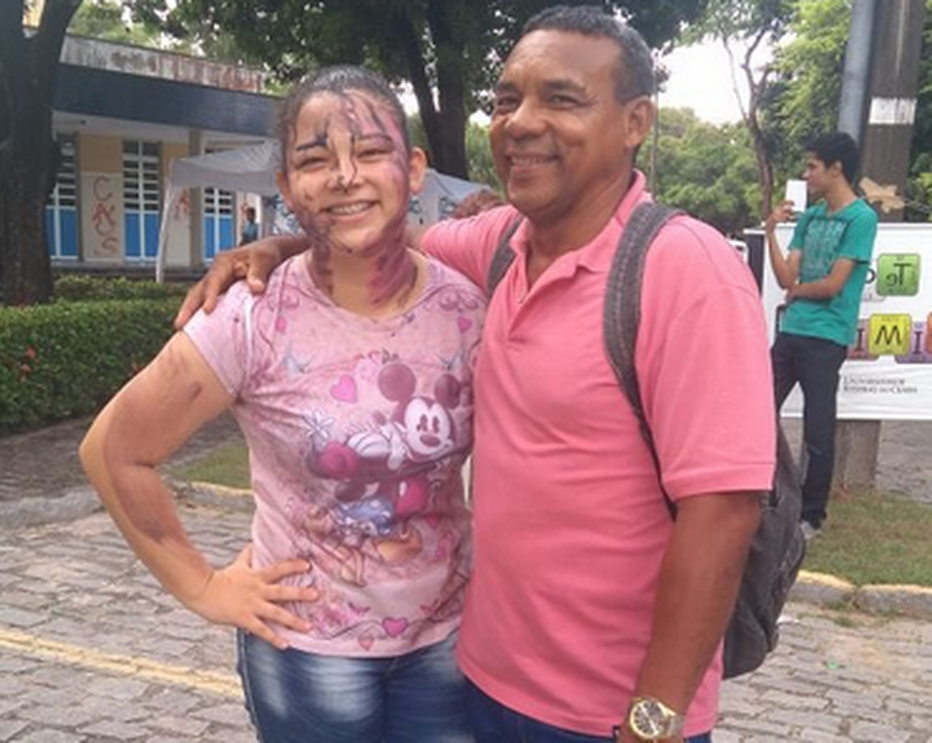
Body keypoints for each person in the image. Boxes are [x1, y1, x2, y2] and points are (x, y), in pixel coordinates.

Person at [177, 6, 776, 742]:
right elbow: (376, 230)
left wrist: (652, 720)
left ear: (635, 121)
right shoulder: (501, 244)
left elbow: (723, 514)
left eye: (562, 98)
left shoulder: (685, 269)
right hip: (480, 680)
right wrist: (274, 244)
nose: (522, 121)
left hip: (607, 715)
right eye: (506, 99)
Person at [81, 65, 486, 743]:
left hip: (447, 639)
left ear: (414, 169)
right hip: (308, 650)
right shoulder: (250, 316)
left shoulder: (470, 305)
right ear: (287, 188)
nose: (346, 176)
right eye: (316, 160)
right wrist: (206, 588)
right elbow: (115, 451)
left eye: (372, 152)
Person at [766, 132, 878, 540]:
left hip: (827, 337)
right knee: (756, 411)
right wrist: (772, 231)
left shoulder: (861, 218)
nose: (806, 173)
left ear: (836, 169)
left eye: (813, 166)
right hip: (791, 330)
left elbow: (833, 285)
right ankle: (763, 495)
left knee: (817, 429)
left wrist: (797, 291)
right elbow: (785, 278)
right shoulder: (811, 217)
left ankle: (811, 516)